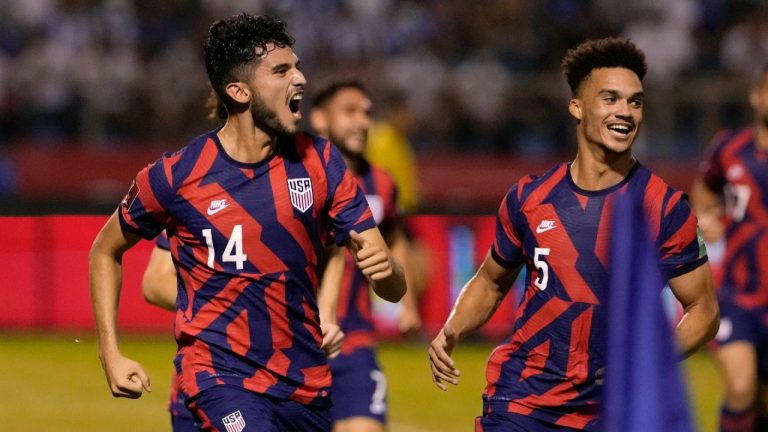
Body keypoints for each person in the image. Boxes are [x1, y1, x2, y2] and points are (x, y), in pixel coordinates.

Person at [89, 13, 406, 432]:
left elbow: (390, 285)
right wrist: (109, 353)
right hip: (219, 379)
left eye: (296, 66)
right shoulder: (177, 176)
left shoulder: (322, 162)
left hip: (305, 386)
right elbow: (105, 250)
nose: (301, 79)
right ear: (239, 92)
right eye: (281, 70)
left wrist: (388, 272)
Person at [427, 37, 719, 431]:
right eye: (610, 99)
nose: (626, 112)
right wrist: (452, 328)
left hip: (609, 410)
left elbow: (704, 309)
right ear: (577, 107)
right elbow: (491, 281)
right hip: (522, 400)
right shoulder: (529, 197)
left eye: (635, 102)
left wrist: (644, 364)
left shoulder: (664, 208)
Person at [309, 79, 421, 432]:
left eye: (367, 113)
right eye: (350, 111)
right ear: (319, 118)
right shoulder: (295, 177)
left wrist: (408, 305)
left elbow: (395, 240)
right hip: (299, 340)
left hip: (356, 340)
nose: (362, 122)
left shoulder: (382, 183)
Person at [690, 63, 768, 432]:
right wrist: (705, 217)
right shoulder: (729, 148)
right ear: (756, 96)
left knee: (760, 403)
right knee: (740, 387)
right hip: (738, 296)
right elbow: (704, 189)